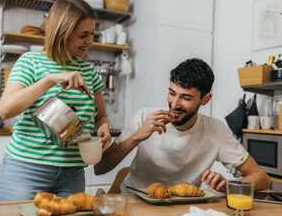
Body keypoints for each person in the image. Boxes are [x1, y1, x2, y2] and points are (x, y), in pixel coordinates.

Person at [0, 0, 112, 202]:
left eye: (92, 33)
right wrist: (50, 80)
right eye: (83, 35)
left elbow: (101, 116)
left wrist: (104, 127)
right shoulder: (31, 62)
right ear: (63, 32)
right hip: (26, 170)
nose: (90, 41)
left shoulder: (89, 72)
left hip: (73, 174)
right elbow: (5, 110)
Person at [94, 58, 271, 193]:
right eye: (172, 93)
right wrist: (138, 136)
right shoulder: (144, 117)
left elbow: (263, 178)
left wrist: (230, 185)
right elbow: (100, 168)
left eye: (185, 98)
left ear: (205, 99)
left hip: (182, 208)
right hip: (134, 202)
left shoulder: (215, 130)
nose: (174, 104)